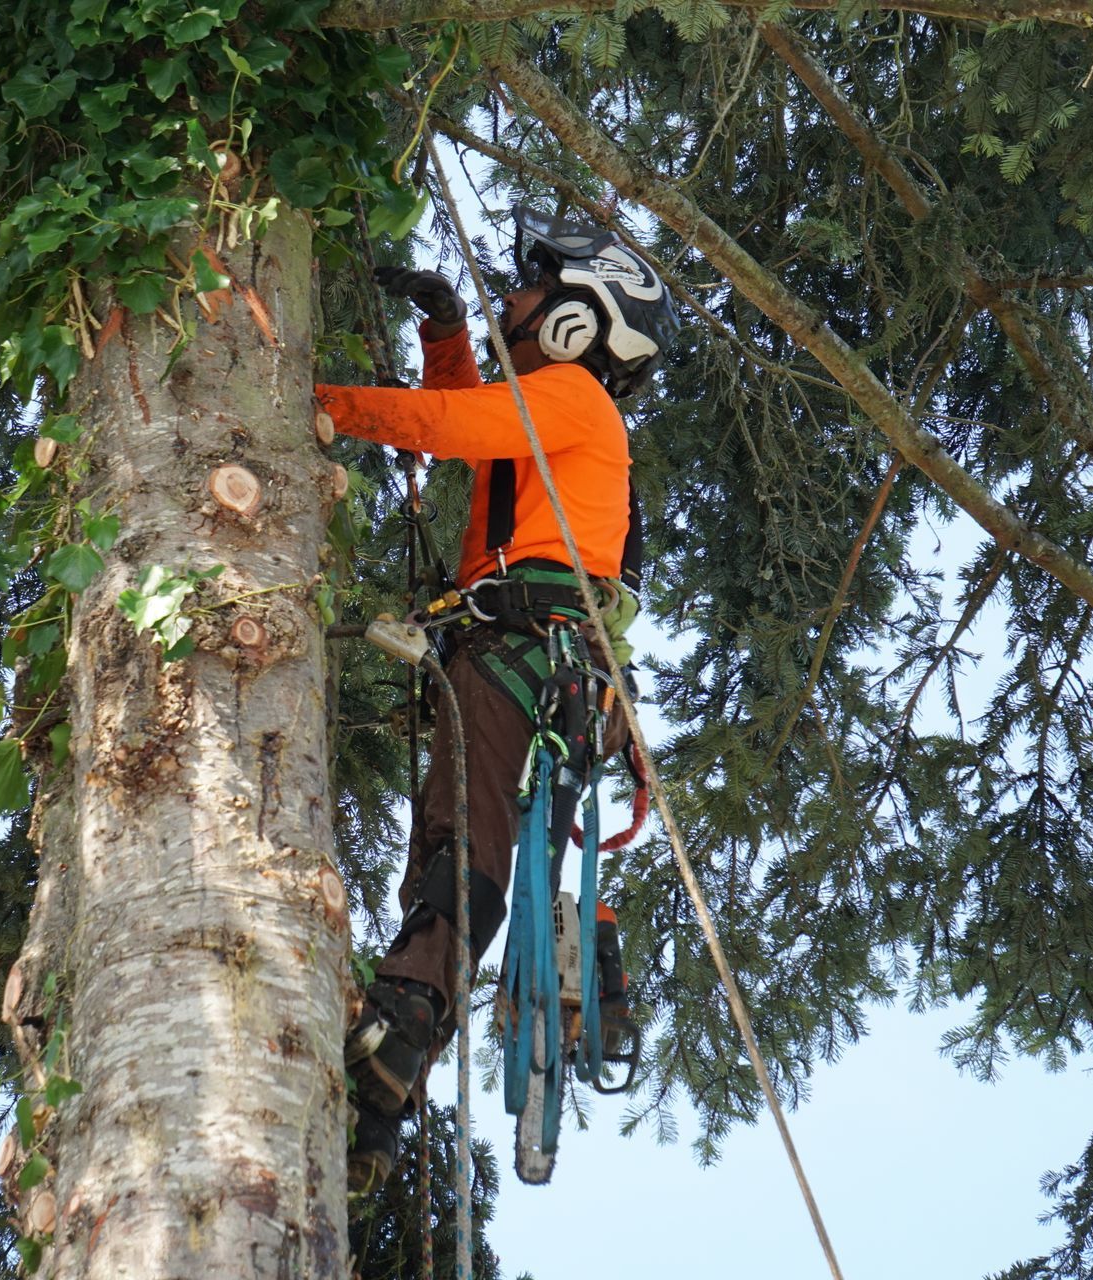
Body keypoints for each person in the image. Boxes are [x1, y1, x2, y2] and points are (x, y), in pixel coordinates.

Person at [314, 205, 678, 1195]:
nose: (507, 299)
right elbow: (465, 433)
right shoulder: (552, 411)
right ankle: (379, 1107)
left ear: (576, 320)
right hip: (525, 651)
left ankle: (402, 1023)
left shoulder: (573, 396)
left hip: (530, 650)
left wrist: (313, 401)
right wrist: (441, 339)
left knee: (459, 841)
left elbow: (443, 427)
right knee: (451, 840)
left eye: (528, 286)